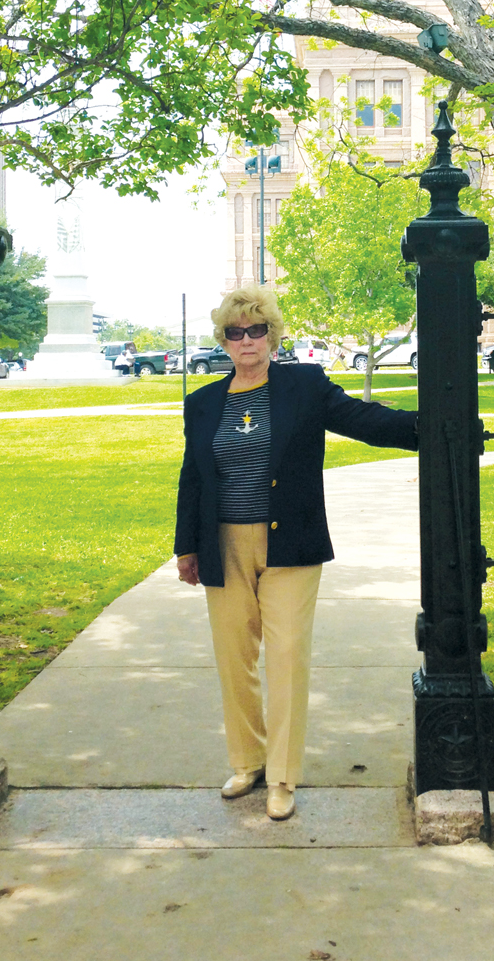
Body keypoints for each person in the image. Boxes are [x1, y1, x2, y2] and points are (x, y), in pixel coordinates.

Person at [174, 284, 417, 821]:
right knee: (234, 659)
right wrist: (185, 547)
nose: (246, 341)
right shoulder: (202, 403)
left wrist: (432, 426)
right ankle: (248, 762)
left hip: (291, 541)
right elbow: (193, 477)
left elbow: (363, 420)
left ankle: (282, 775)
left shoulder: (303, 385)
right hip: (224, 545)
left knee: (285, 658)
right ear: (224, 340)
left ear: (271, 335)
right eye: (235, 333)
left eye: (255, 331)